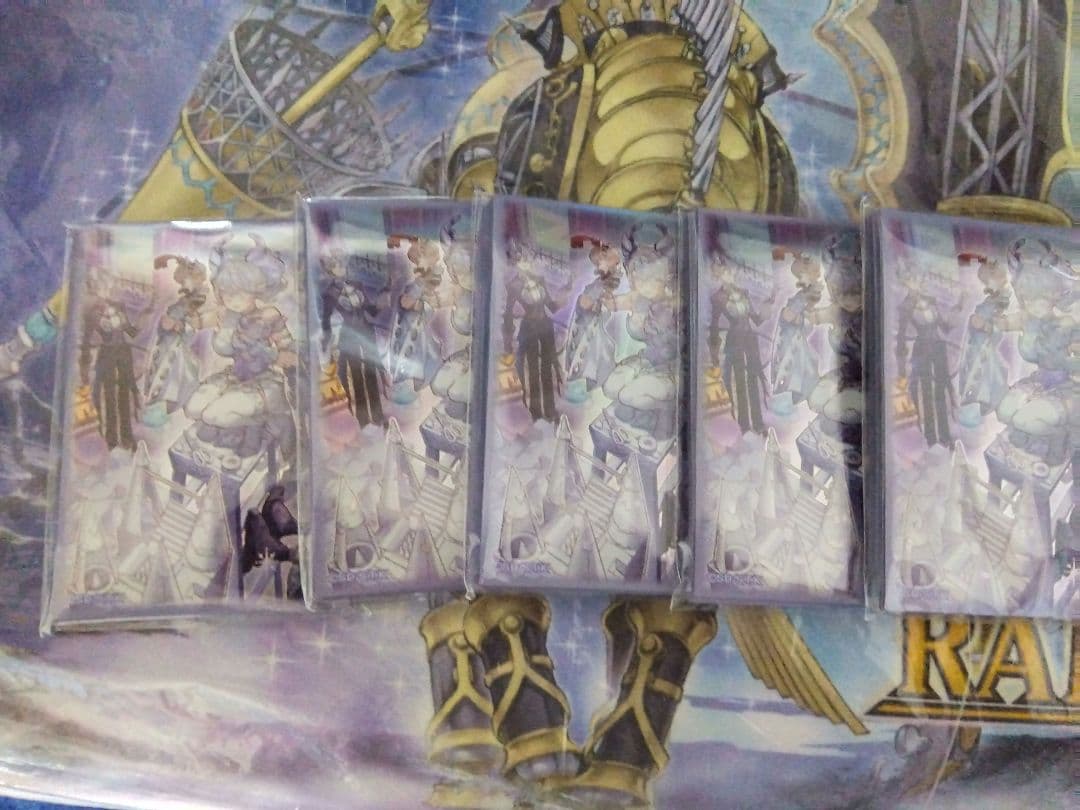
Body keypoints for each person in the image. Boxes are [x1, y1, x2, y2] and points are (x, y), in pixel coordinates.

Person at [320, 251, 388, 429]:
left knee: (371, 374)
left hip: (366, 332)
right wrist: (326, 343)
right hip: (349, 336)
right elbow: (325, 321)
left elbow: (370, 310)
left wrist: (380, 303)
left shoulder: (357, 284)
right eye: (336, 265)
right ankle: (363, 420)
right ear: (330, 270)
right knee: (356, 378)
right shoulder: (330, 293)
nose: (341, 267)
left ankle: (378, 416)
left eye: (342, 263)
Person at [503, 240, 563, 422]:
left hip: (545, 326)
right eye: (522, 258)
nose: (527, 261)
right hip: (529, 328)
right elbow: (508, 314)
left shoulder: (540, 279)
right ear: (515, 261)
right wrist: (507, 343)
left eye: (528, 258)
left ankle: (550, 410)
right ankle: (536, 412)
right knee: (533, 371)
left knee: (547, 367)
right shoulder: (513, 285)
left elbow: (551, 306)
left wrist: (566, 295)